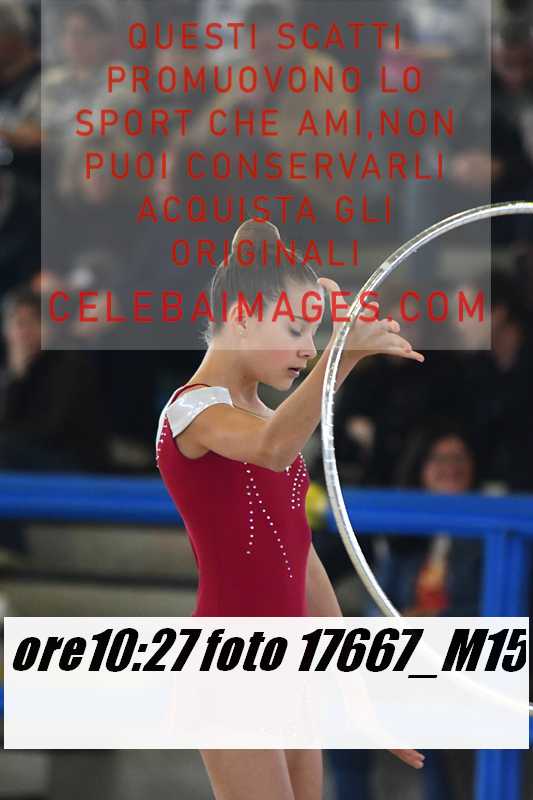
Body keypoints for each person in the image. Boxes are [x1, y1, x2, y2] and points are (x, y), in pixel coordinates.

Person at [155, 218, 426, 799]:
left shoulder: (264, 414)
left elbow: (299, 560)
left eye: (314, 333)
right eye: (295, 328)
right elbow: (273, 449)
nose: (307, 347)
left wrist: (355, 692)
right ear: (242, 317)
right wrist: (341, 356)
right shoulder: (191, 412)